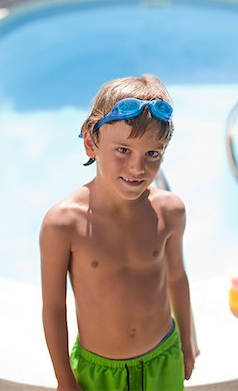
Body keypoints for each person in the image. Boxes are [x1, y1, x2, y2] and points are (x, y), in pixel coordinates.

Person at [40, 74, 195, 391]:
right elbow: (54, 307)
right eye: (123, 149)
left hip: (164, 356)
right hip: (99, 373)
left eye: (152, 153)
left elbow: (177, 277)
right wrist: (64, 378)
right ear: (91, 142)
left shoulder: (171, 211)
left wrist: (188, 341)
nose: (138, 169)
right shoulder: (64, 224)